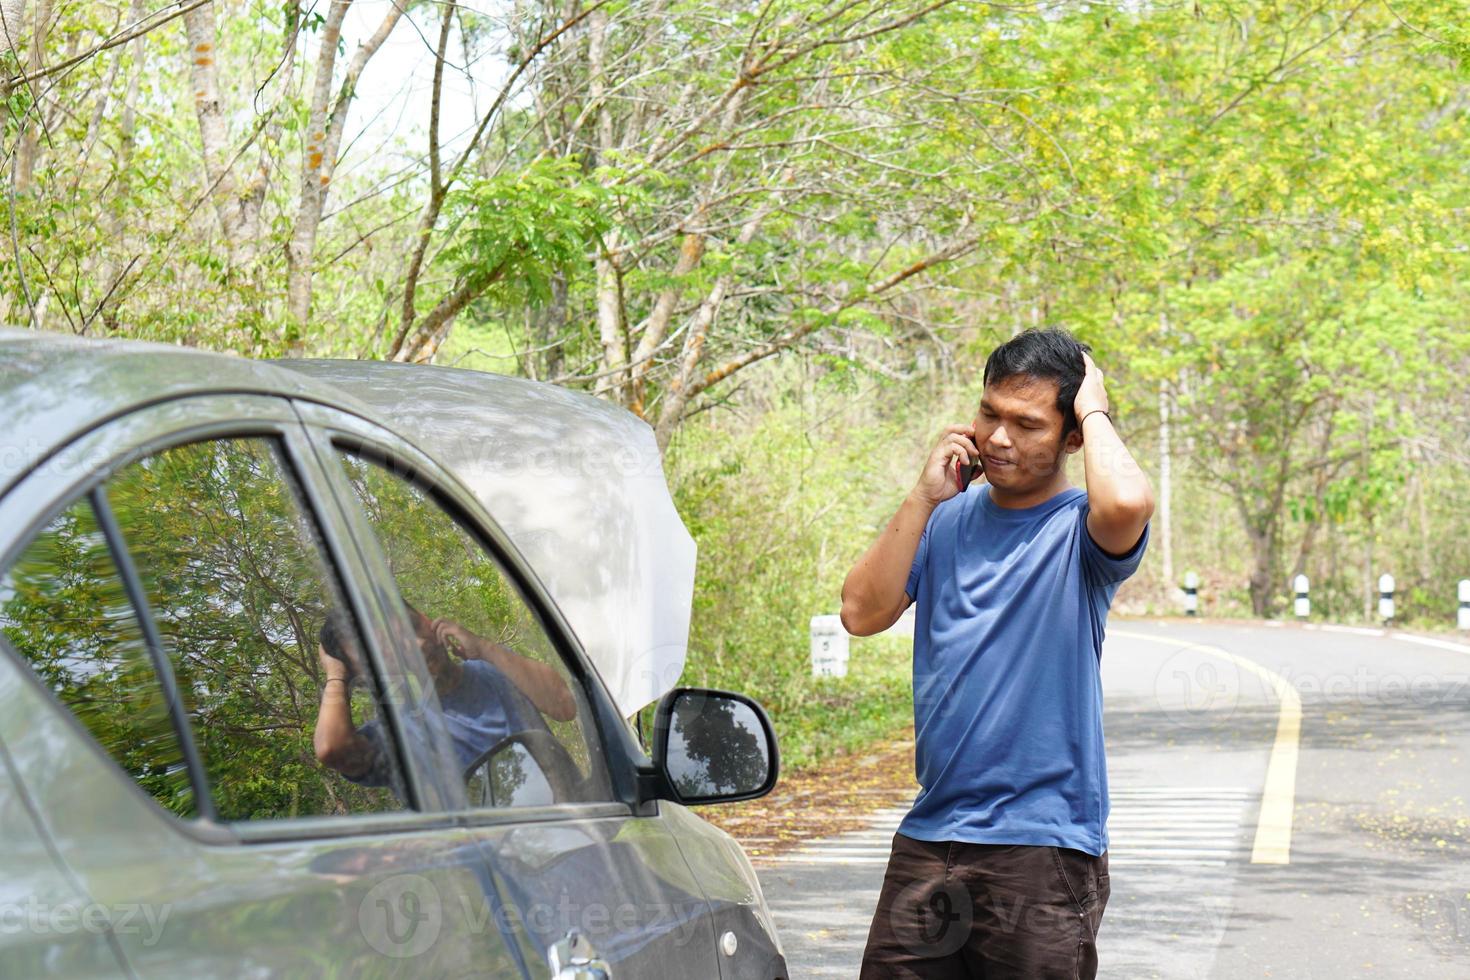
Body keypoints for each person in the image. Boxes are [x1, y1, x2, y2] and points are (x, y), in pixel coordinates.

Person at [841, 328, 1154, 979]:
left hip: (1042, 846)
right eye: (990, 414)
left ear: (1072, 439)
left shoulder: (1080, 533)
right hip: (933, 835)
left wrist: (1093, 405)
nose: (1000, 438)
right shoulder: (944, 520)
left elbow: (1127, 500)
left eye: (1027, 423)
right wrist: (925, 497)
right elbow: (861, 613)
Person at [313, 600, 577, 790]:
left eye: (413, 626)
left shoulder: (493, 670)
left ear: (430, 621)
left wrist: (485, 648)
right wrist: (336, 675)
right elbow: (331, 749)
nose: (418, 644)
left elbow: (565, 705)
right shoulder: (397, 736)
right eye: (391, 650)